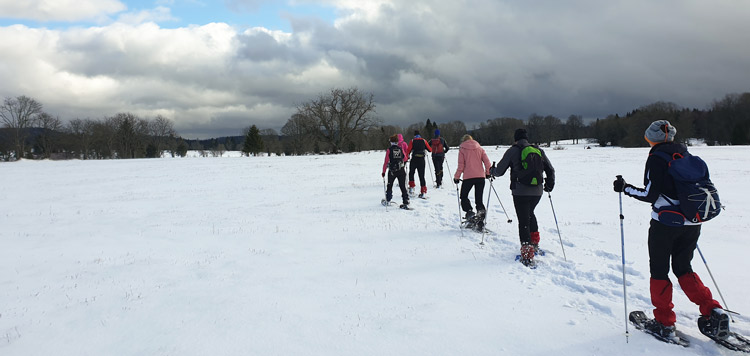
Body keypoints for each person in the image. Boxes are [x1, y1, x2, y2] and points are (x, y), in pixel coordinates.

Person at [613, 120, 729, 340]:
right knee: (684, 267)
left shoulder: (656, 158)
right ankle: (712, 309)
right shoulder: (685, 154)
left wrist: (624, 188)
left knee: (659, 271)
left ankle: (664, 322)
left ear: (650, 138)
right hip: (693, 222)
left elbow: (649, 195)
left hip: (665, 223)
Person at [491, 128, 555, 266]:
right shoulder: (537, 150)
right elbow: (550, 169)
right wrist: (549, 184)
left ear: (516, 138)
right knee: (530, 213)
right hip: (537, 191)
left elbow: (499, 171)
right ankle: (534, 243)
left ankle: (527, 253)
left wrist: (492, 171)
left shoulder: (512, 151)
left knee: (524, 220)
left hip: (520, 191)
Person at [453, 134, 491, 227]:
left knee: (464, 196)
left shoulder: (462, 149)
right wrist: (488, 173)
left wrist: (456, 177)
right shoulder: (480, 148)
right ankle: (481, 218)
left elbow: (461, 166)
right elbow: (487, 162)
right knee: (479, 199)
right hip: (480, 177)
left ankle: (470, 213)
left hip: (468, 177)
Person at [382, 134, 409, 208]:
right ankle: (405, 201)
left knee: (390, 185)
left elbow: (386, 161)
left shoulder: (389, 150)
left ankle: (388, 199)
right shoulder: (400, 149)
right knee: (402, 186)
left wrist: (383, 172)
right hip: (401, 170)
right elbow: (405, 158)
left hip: (392, 171)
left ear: (391, 142)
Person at [405, 130, 433, 198]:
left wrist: (406, 157)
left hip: (414, 159)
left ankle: (411, 189)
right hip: (421, 160)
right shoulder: (424, 141)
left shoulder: (412, 141)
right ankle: (423, 191)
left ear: (414, 135)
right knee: (421, 175)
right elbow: (430, 150)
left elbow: (408, 150)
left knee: (411, 173)